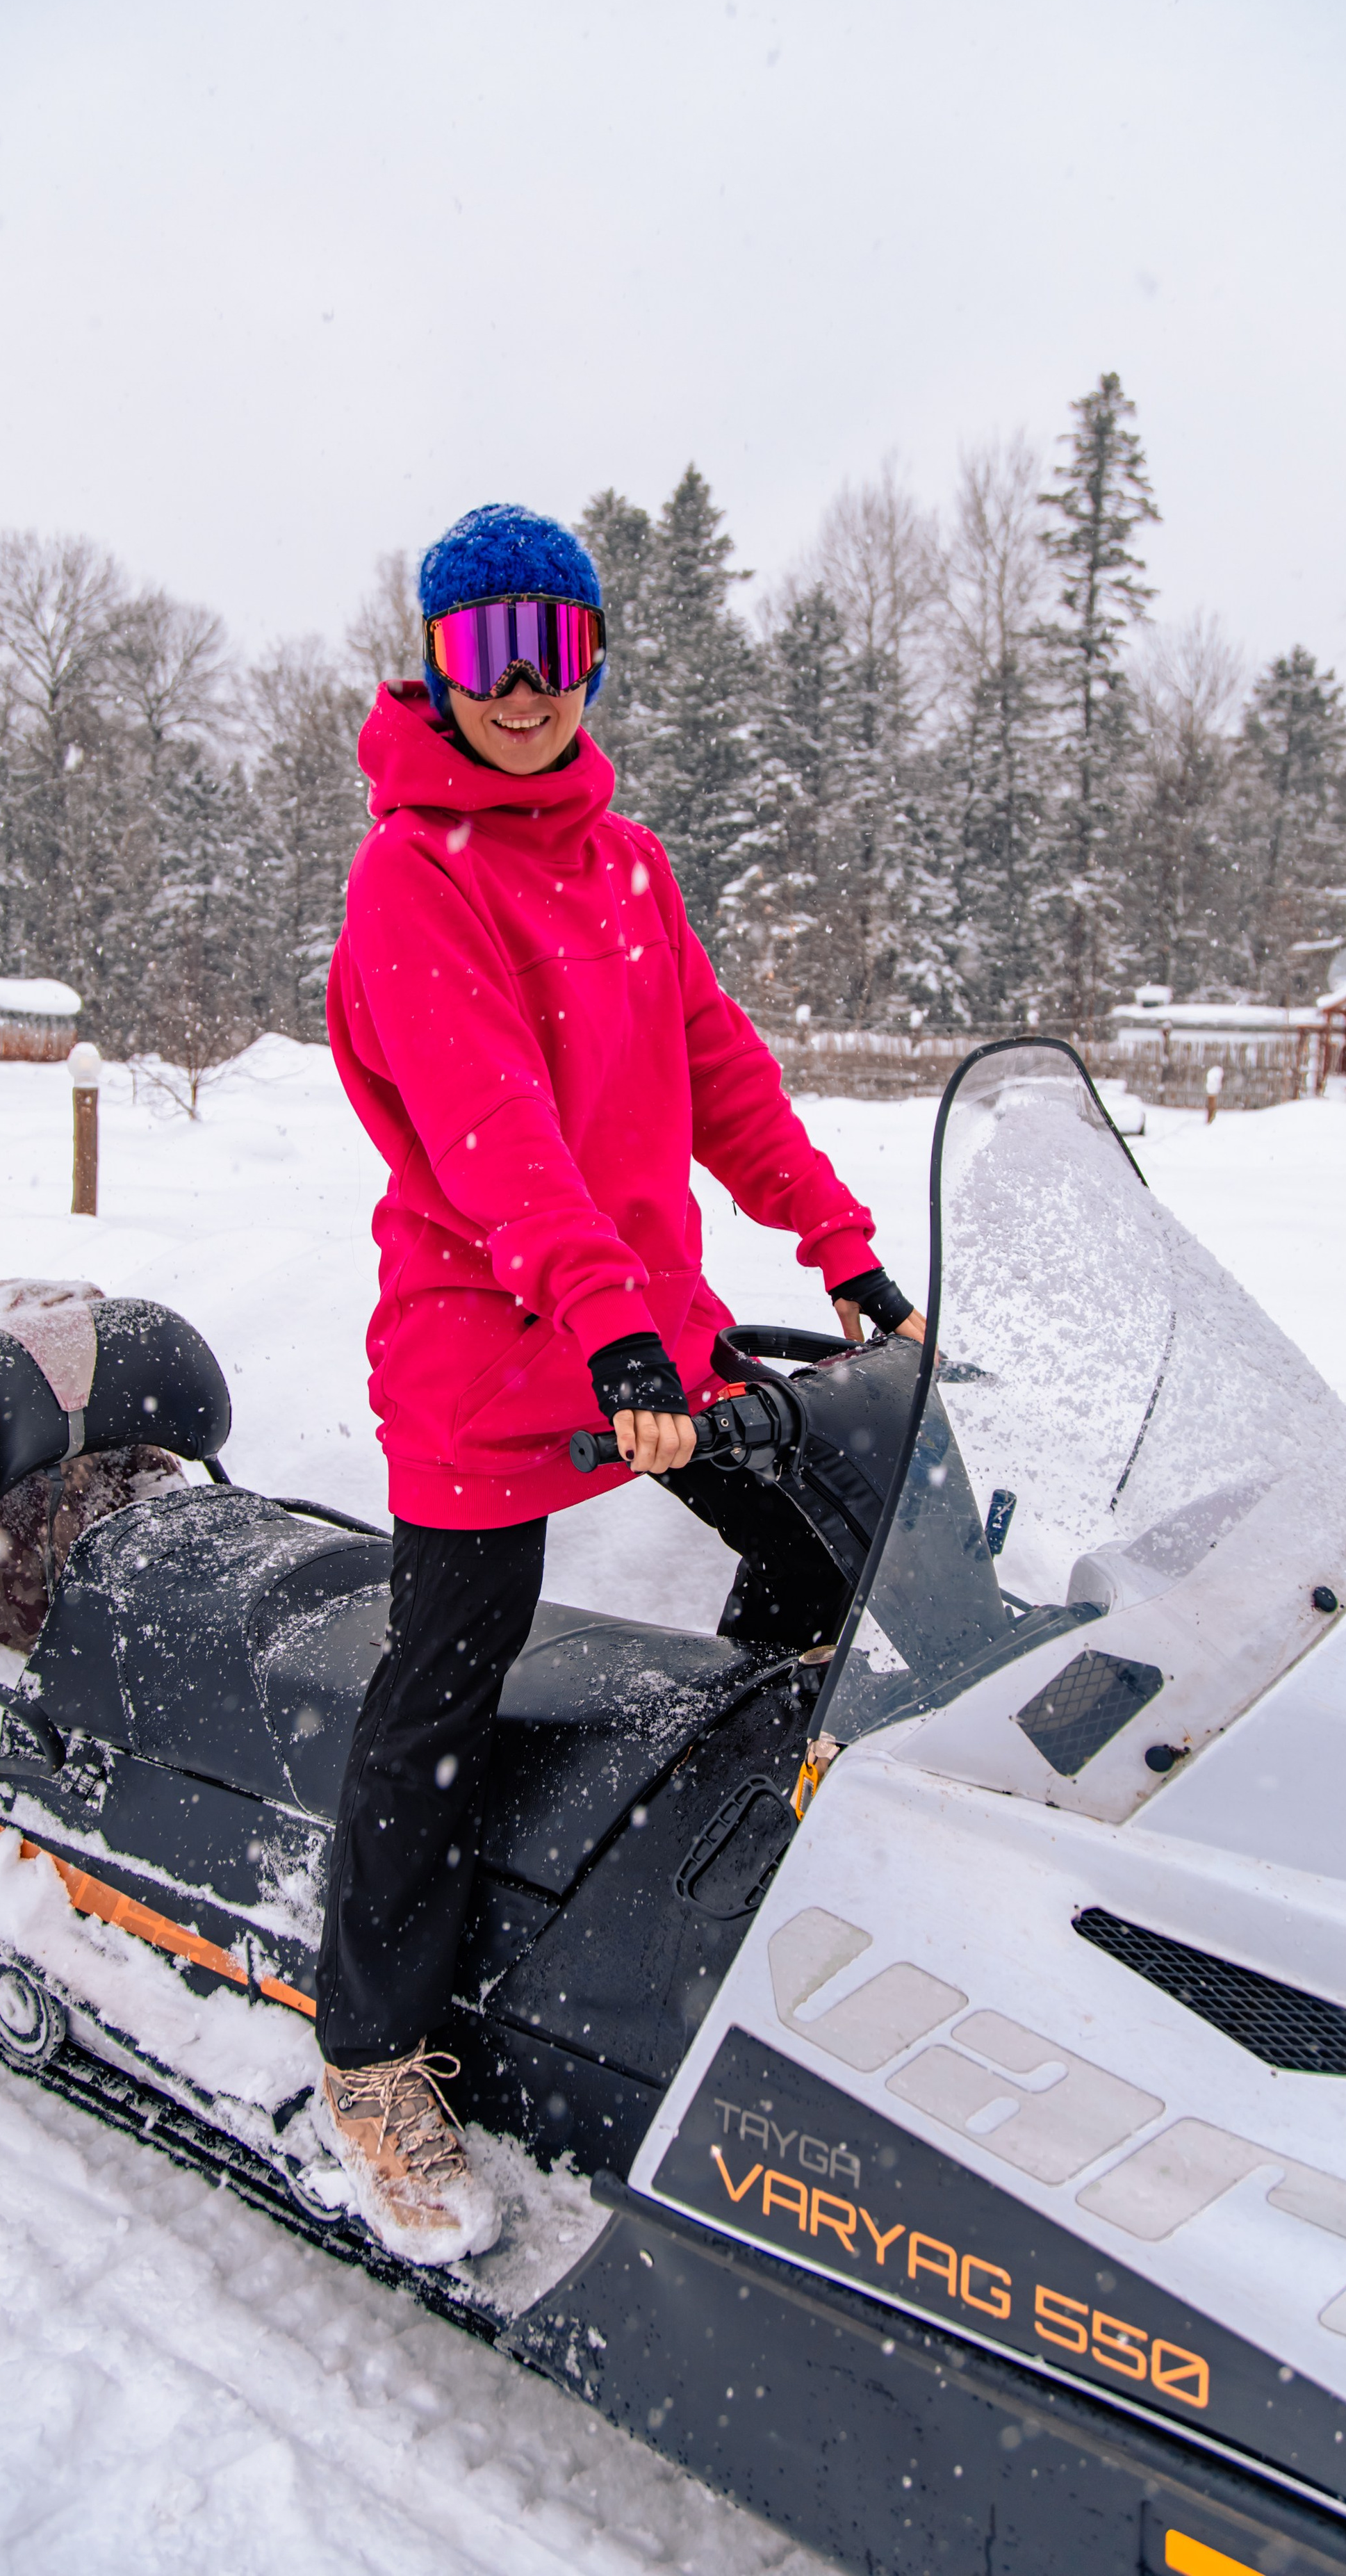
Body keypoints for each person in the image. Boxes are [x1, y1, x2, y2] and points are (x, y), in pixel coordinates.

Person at [315, 503, 924, 2265]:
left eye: (554, 646)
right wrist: (604, 1316)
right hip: (486, 1346)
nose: (523, 687)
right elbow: (491, 1128)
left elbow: (718, 1076)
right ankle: (369, 2057)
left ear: (590, 657)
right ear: (438, 661)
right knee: (441, 1688)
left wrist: (841, 1247)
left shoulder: (631, 863)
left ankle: (736, 1858)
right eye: (486, 649)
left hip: (647, 1332)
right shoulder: (413, 872)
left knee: (826, 1555)